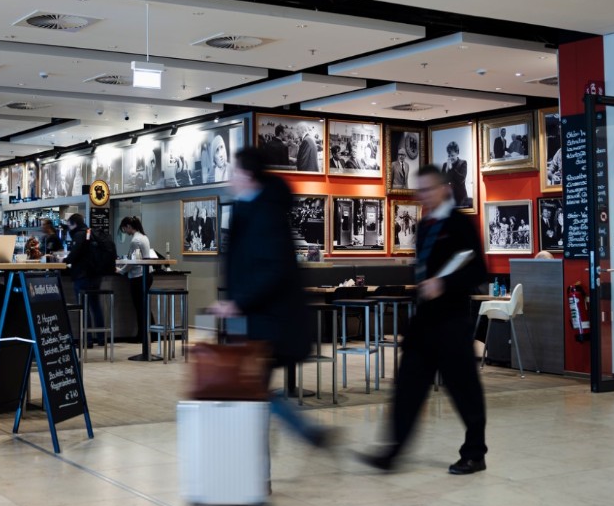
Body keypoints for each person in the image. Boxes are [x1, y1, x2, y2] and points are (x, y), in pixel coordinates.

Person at [357, 164, 488, 475]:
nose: (423, 196)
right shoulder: (425, 226)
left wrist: (443, 283)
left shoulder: (460, 224)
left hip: (452, 322)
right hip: (425, 323)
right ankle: (392, 451)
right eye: (420, 190)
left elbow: (478, 271)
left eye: (428, 189)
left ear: (444, 189)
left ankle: (475, 453)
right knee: (407, 387)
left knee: (464, 389)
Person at [209, 146, 329, 448]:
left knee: (250, 389)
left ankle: (277, 448)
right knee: (251, 389)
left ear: (248, 175)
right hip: (255, 318)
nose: (230, 178)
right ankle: (300, 434)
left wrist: (237, 303)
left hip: (267, 320)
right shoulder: (251, 209)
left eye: (235, 171)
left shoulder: (265, 213)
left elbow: (273, 269)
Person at [65, 213, 113, 339]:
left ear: (74, 224)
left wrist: (64, 260)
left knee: (83, 308)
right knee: (96, 306)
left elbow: (74, 254)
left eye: (69, 226)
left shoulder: (79, 235)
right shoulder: (92, 233)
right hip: (96, 276)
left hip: (82, 276)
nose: (68, 229)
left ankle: (87, 340)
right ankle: (101, 338)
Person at [117, 216, 153, 349]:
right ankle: (151, 333)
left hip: (138, 276)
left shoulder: (135, 240)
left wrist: (121, 271)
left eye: (124, 228)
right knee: (144, 306)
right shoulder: (144, 237)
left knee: (140, 307)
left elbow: (132, 262)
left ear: (128, 226)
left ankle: (141, 335)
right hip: (147, 274)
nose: (125, 231)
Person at [442, 141, 469, 208]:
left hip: (461, 199)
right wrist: (446, 170)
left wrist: (451, 169)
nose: (450, 158)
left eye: (452, 155)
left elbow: (461, 179)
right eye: (449, 155)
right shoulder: (445, 165)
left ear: (457, 153)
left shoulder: (463, 163)